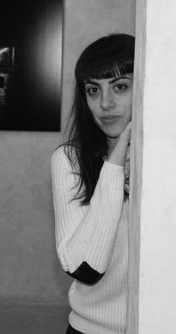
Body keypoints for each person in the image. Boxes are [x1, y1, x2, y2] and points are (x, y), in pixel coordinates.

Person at [51, 34, 135, 334]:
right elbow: (85, 269)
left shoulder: (174, 164)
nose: (105, 103)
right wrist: (114, 166)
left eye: (120, 87)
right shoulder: (69, 161)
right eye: (93, 90)